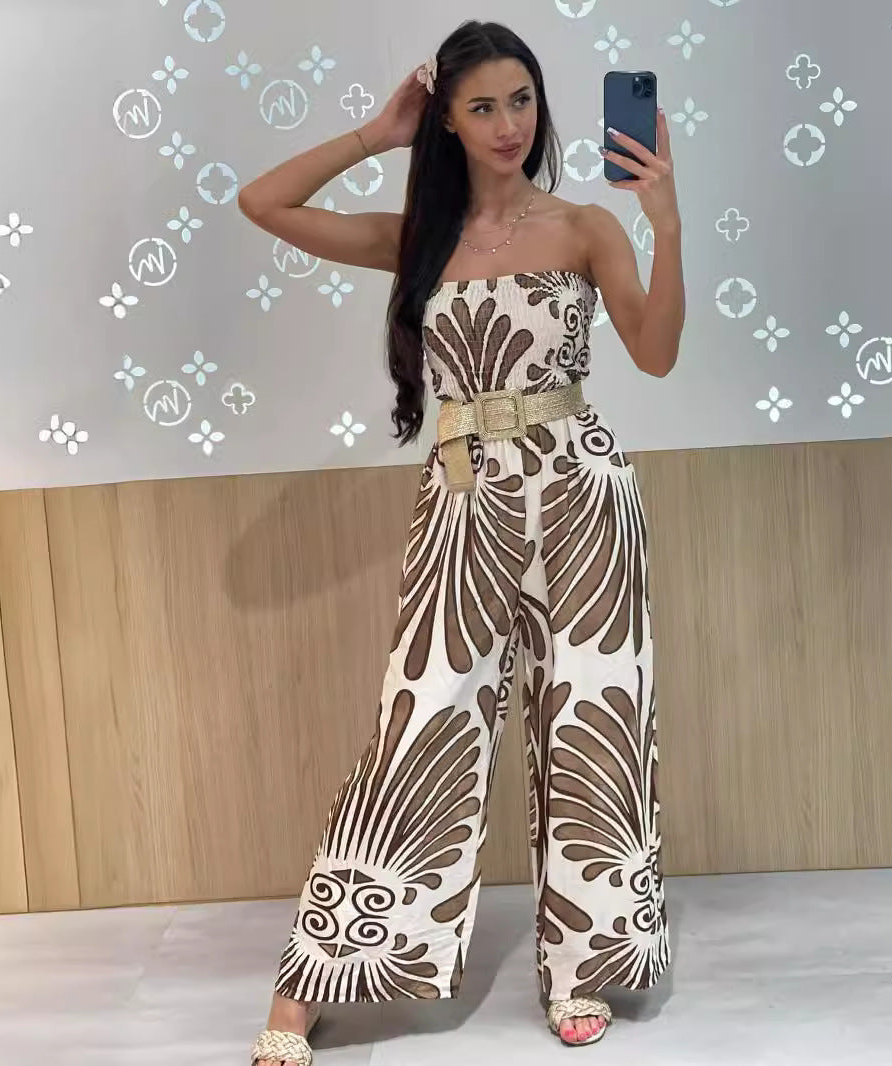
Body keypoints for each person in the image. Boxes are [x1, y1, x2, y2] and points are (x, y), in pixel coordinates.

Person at [238, 19, 685, 1064]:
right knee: (421, 722)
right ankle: (318, 978)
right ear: (444, 118)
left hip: (582, 490)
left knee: (594, 720)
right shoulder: (418, 239)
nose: (507, 124)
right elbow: (264, 202)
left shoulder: (585, 227)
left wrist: (664, 221)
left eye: (520, 100)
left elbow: (657, 353)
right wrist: (374, 134)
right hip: (462, 498)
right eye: (481, 106)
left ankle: (581, 965)